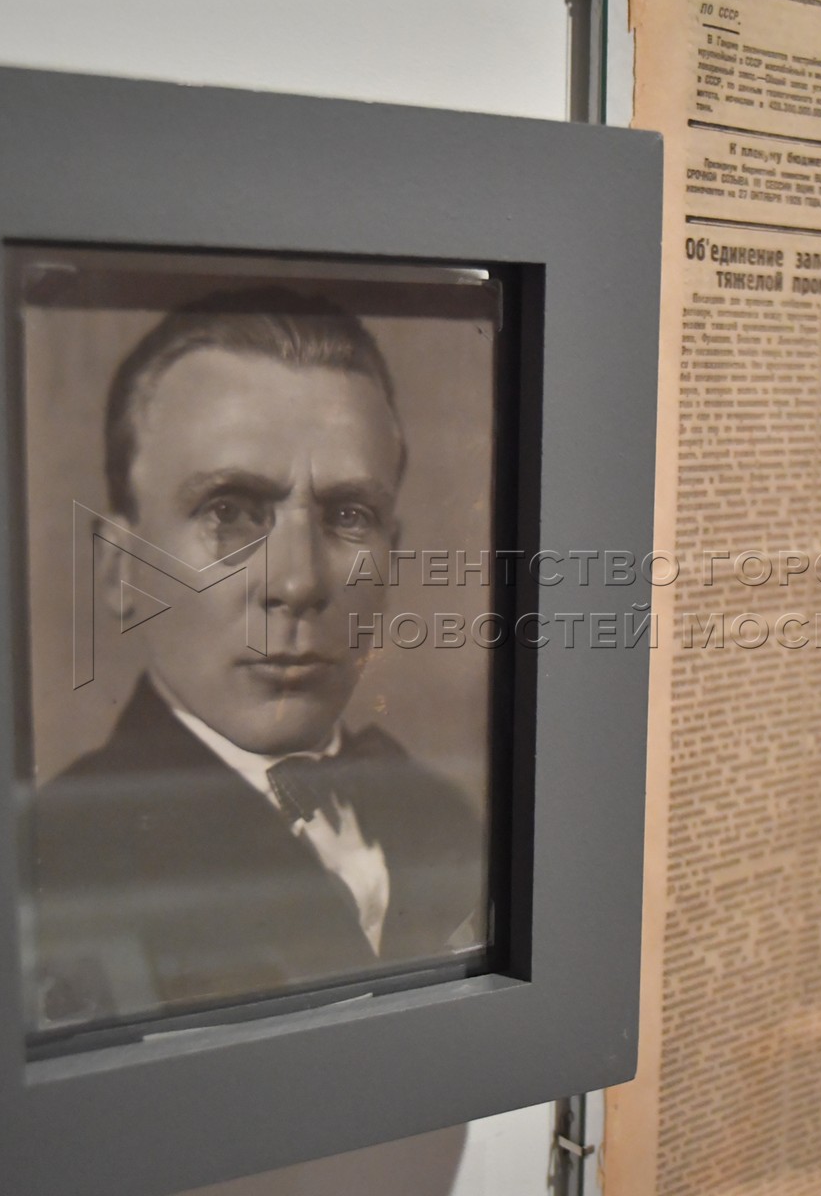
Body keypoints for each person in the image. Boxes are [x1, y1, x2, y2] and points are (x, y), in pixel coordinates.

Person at [26, 289, 486, 1035]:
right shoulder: (57, 861)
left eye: (349, 516)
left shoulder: (443, 818)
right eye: (230, 512)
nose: (298, 582)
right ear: (121, 571)